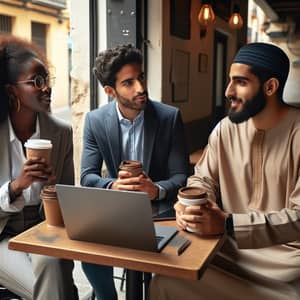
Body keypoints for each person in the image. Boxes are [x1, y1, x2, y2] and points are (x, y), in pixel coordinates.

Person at [149, 42, 300, 300]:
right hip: (224, 249)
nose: (228, 91)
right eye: (230, 81)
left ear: (270, 87)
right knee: (164, 282)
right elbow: (203, 178)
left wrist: (229, 223)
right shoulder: (226, 128)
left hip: (285, 262)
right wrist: (193, 205)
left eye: (240, 82)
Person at [80, 44, 189, 299]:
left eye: (141, 77)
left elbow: (182, 176)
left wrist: (157, 189)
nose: (140, 88)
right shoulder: (95, 121)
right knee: (90, 257)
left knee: (173, 264)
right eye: (128, 83)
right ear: (110, 91)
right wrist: (112, 186)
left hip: (161, 214)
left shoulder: (169, 117)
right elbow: (87, 176)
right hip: (117, 211)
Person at [0, 35, 78, 299]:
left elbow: (66, 212)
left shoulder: (61, 133)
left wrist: (53, 189)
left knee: (52, 264)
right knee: (54, 290)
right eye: (37, 81)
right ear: (12, 91)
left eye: (47, 79)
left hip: (43, 230)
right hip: (3, 234)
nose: (47, 88)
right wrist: (16, 186)